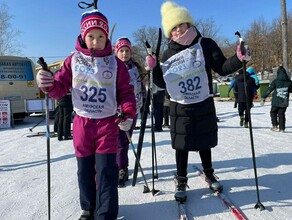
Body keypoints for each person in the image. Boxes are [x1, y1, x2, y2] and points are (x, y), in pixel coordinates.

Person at [36, 9, 136, 220]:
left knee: (106, 171)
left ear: (107, 37)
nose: (95, 41)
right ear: (83, 36)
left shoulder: (115, 63)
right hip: (82, 122)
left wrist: (127, 113)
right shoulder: (73, 60)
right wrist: (48, 83)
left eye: (101, 36)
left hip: (107, 123)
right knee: (84, 170)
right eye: (91, 36)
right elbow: (60, 86)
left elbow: (126, 92)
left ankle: (106, 213)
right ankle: (88, 208)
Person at [146, 1, 250, 202]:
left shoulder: (206, 43)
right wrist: (154, 69)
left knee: (205, 139)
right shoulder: (168, 53)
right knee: (181, 143)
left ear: (188, 23)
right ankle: (182, 177)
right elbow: (163, 82)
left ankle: (209, 173)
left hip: (202, 101)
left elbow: (222, 67)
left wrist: (238, 59)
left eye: (180, 25)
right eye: (173, 28)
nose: (178, 30)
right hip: (180, 104)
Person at [114, 37, 144, 187]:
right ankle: (118, 166)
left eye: (127, 51)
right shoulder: (112, 67)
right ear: (116, 52)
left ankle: (122, 167)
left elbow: (141, 86)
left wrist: (145, 101)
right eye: (121, 51)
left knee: (125, 140)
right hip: (116, 111)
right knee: (116, 141)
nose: (124, 54)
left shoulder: (136, 67)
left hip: (133, 109)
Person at [261, 66, 292, 132]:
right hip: (284, 101)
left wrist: (263, 97)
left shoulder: (276, 81)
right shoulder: (289, 82)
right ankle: (282, 128)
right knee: (281, 114)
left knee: (273, 112)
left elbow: (269, 89)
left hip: (275, 101)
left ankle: (275, 126)